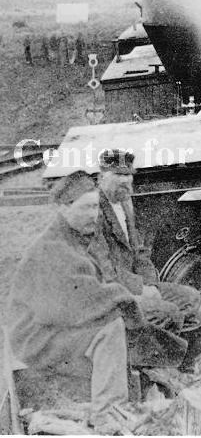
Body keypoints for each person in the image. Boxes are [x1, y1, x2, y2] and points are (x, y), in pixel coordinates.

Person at [6, 171, 143, 433]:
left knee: (115, 321)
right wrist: (126, 299)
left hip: (47, 326)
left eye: (96, 207)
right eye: (87, 207)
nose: (94, 214)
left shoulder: (70, 236)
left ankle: (111, 403)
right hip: (34, 337)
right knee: (110, 329)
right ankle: (108, 415)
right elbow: (78, 303)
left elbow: (88, 292)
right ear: (63, 207)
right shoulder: (53, 247)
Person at [90, 148, 201, 333]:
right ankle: (139, 353)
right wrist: (141, 290)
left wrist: (150, 285)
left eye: (129, 174)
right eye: (118, 174)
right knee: (170, 313)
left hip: (133, 285)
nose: (126, 180)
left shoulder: (125, 204)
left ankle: (157, 343)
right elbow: (103, 268)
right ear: (101, 178)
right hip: (111, 291)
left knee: (191, 298)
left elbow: (139, 253)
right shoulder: (93, 210)